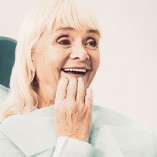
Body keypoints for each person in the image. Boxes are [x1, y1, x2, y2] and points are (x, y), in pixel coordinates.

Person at [0, 0, 156, 156]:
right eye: (64, 41)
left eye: (91, 42)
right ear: (31, 55)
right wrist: (73, 137)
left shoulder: (140, 137)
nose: (82, 54)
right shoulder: (7, 136)